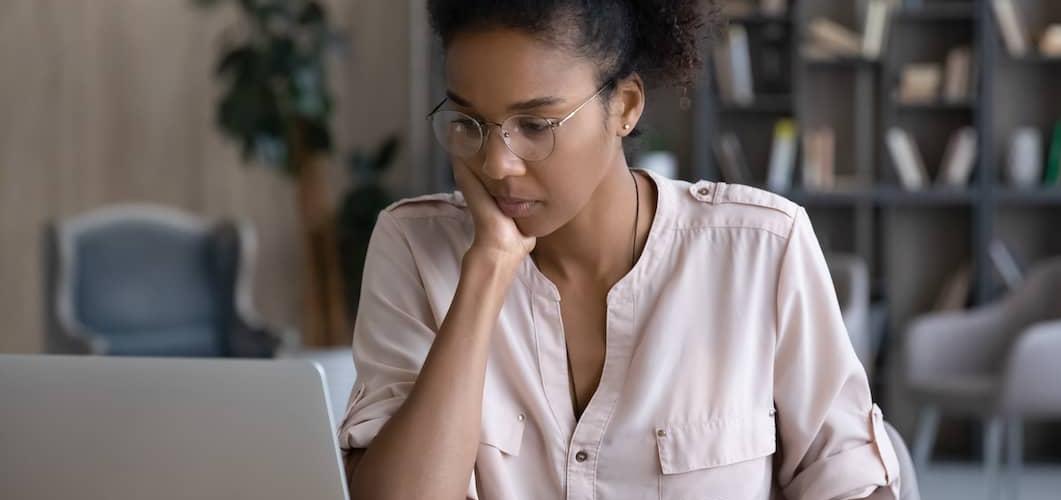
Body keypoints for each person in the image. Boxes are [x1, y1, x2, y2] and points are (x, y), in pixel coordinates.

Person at [340, 1, 900, 499]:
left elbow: (851, 483)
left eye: (534, 124)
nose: (496, 164)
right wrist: (487, 269)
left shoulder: (761, 251)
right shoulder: (413, 248)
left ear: (625, 106)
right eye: (470, 123)